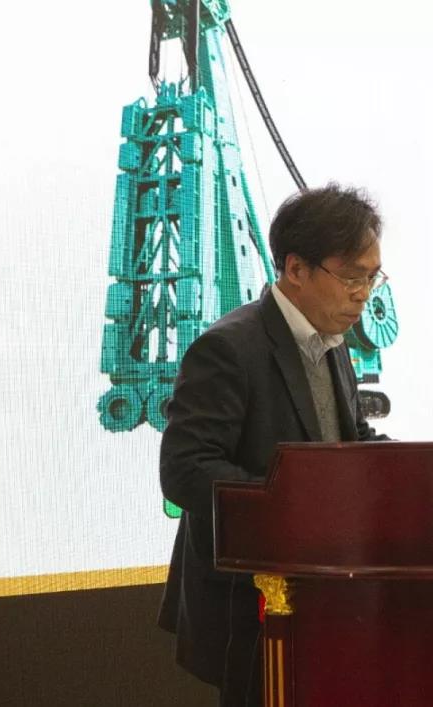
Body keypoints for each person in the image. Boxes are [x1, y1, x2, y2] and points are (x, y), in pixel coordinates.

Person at [157, 183, 389, 707]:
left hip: (324, 592)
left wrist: (400, 466)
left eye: (372, 278)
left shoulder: (333, 340)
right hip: (250, 603)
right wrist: (295, 501)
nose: (363, 294)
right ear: (296, 268)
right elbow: (186, 470)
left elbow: (346, 437)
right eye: (352, 277)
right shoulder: (228, 347)